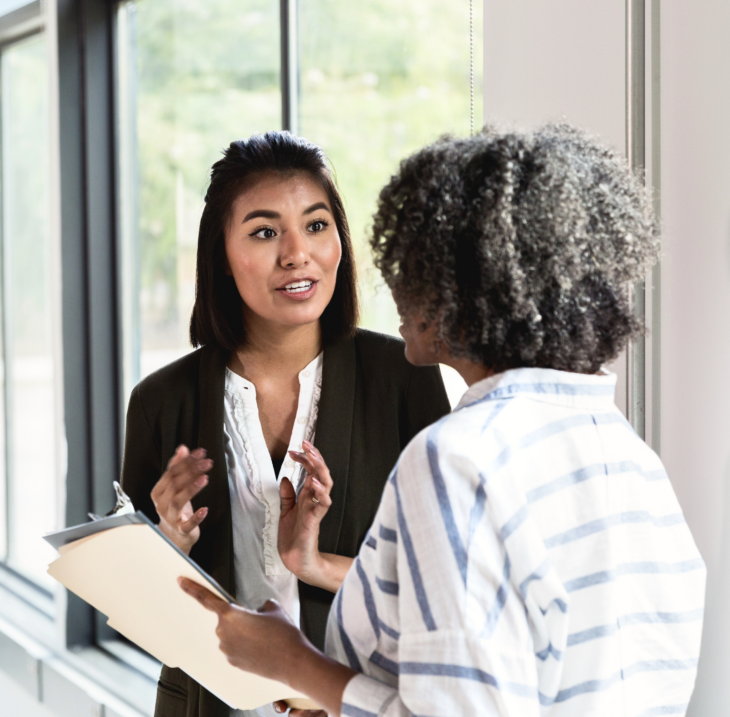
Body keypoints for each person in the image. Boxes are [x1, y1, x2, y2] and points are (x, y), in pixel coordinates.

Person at [180, 125, 706, 716]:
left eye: (413, 262)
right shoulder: (631, 459)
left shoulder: (457, 460)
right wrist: (314, 572)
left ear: (470, 287)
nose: (394, 284)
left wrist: (293, 663)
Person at [121, 131, 451, 717]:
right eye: (265, 231)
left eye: (317, 225)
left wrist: (318, 570)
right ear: (221, 255)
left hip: (359, 700)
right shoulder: (160, 402)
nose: (297, 253)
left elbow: (442, 586)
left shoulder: (402, 378)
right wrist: (167, 547)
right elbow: (138, 623)